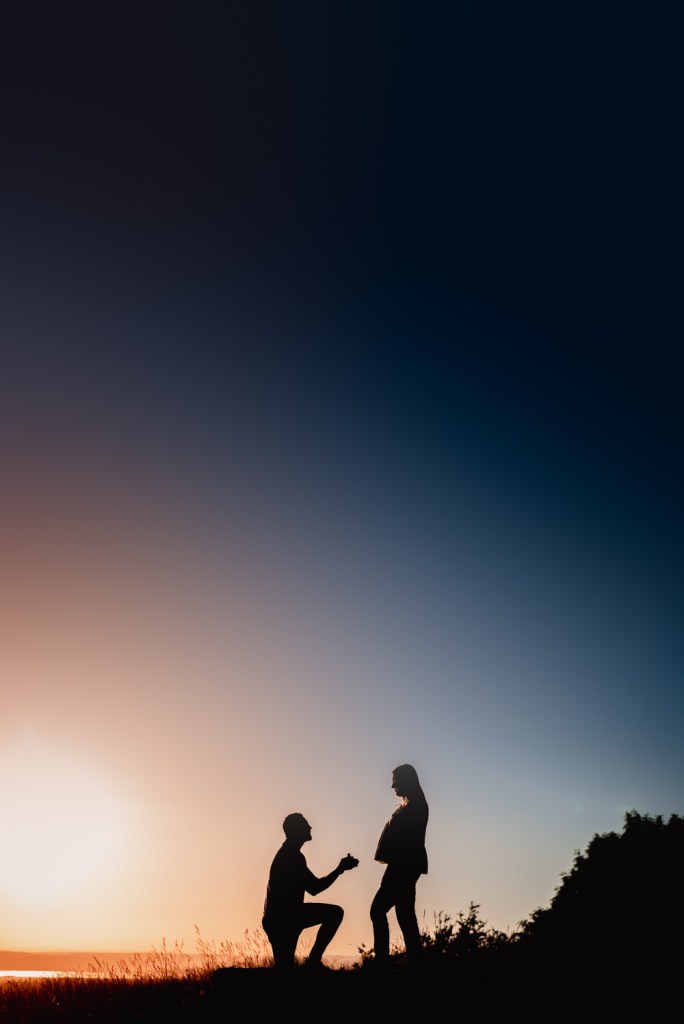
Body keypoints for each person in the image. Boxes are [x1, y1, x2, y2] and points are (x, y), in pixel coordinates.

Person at [262, 812, 359, 970]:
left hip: (279, 919)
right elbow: (315, 888)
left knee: (285, 969)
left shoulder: (289, 854)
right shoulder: (292, 856)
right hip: (287, 918)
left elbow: (313, 887)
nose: (310, 827)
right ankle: (313, 962)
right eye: (306, 825)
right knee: (335, 913)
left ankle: (312, 963)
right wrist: (340, 869)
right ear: (297, 830)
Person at [370, 763, 429, 964]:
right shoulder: (412, 805)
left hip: (402, 866)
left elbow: (408, 840)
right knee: (405, 915)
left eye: (395, 780)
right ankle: (416, 961)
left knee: (377, 910)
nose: (392, 785)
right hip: (404, 865)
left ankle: (381, 960)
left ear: (406, 780)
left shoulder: (416, 807)